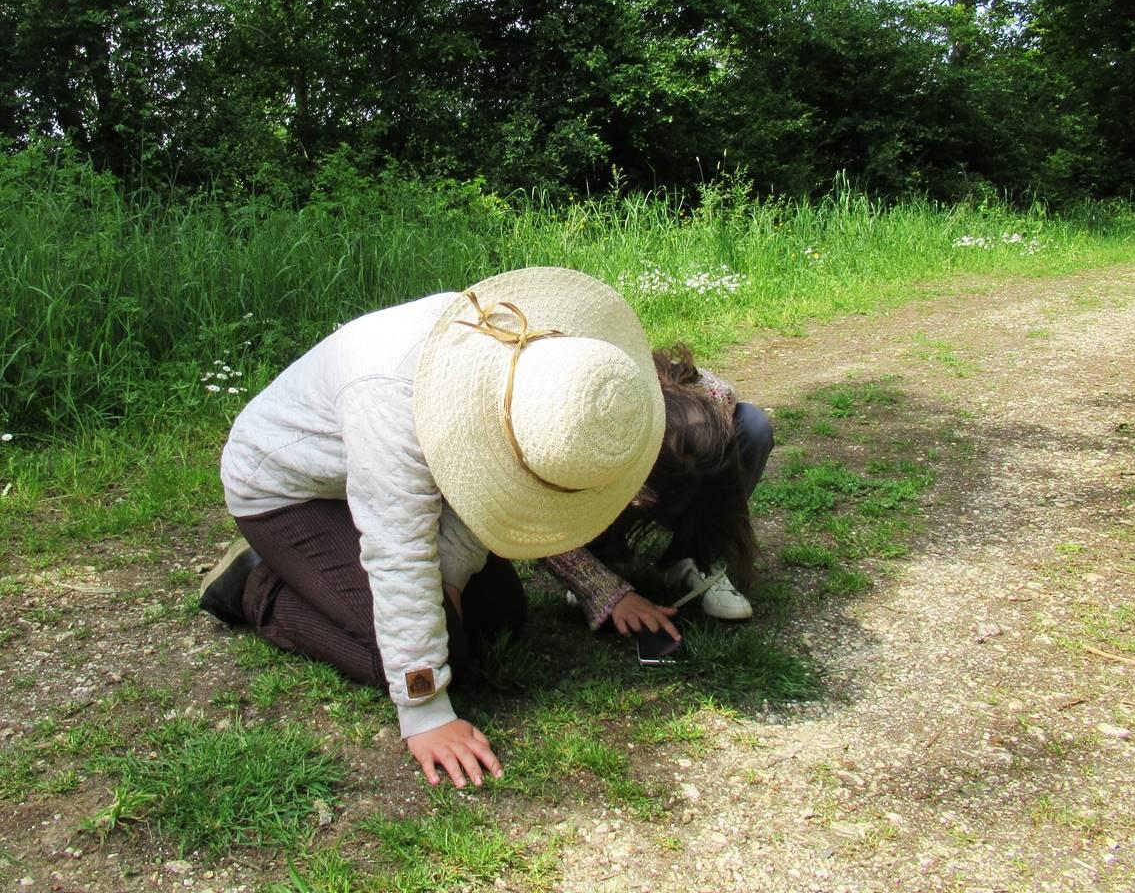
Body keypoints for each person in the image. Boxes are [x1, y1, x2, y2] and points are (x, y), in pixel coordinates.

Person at [199, 266, 666, 789]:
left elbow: (496, 493)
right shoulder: (391, 395)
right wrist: (425, 709)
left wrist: (454, 579)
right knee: (437, 661)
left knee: (501, 620)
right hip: (288, 493)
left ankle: (317, 575)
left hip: (372, 485)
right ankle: (257, 584)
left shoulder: (544, 363)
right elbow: (399, 547)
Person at [543, 345, 774, 643]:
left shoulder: (716, 401)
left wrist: (705, 525)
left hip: (661, 461)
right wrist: (600, 587)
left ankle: (694, 555)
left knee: (753, 426)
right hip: (609, 457)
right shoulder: (588, 425)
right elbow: (534, 517)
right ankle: (602, 553)